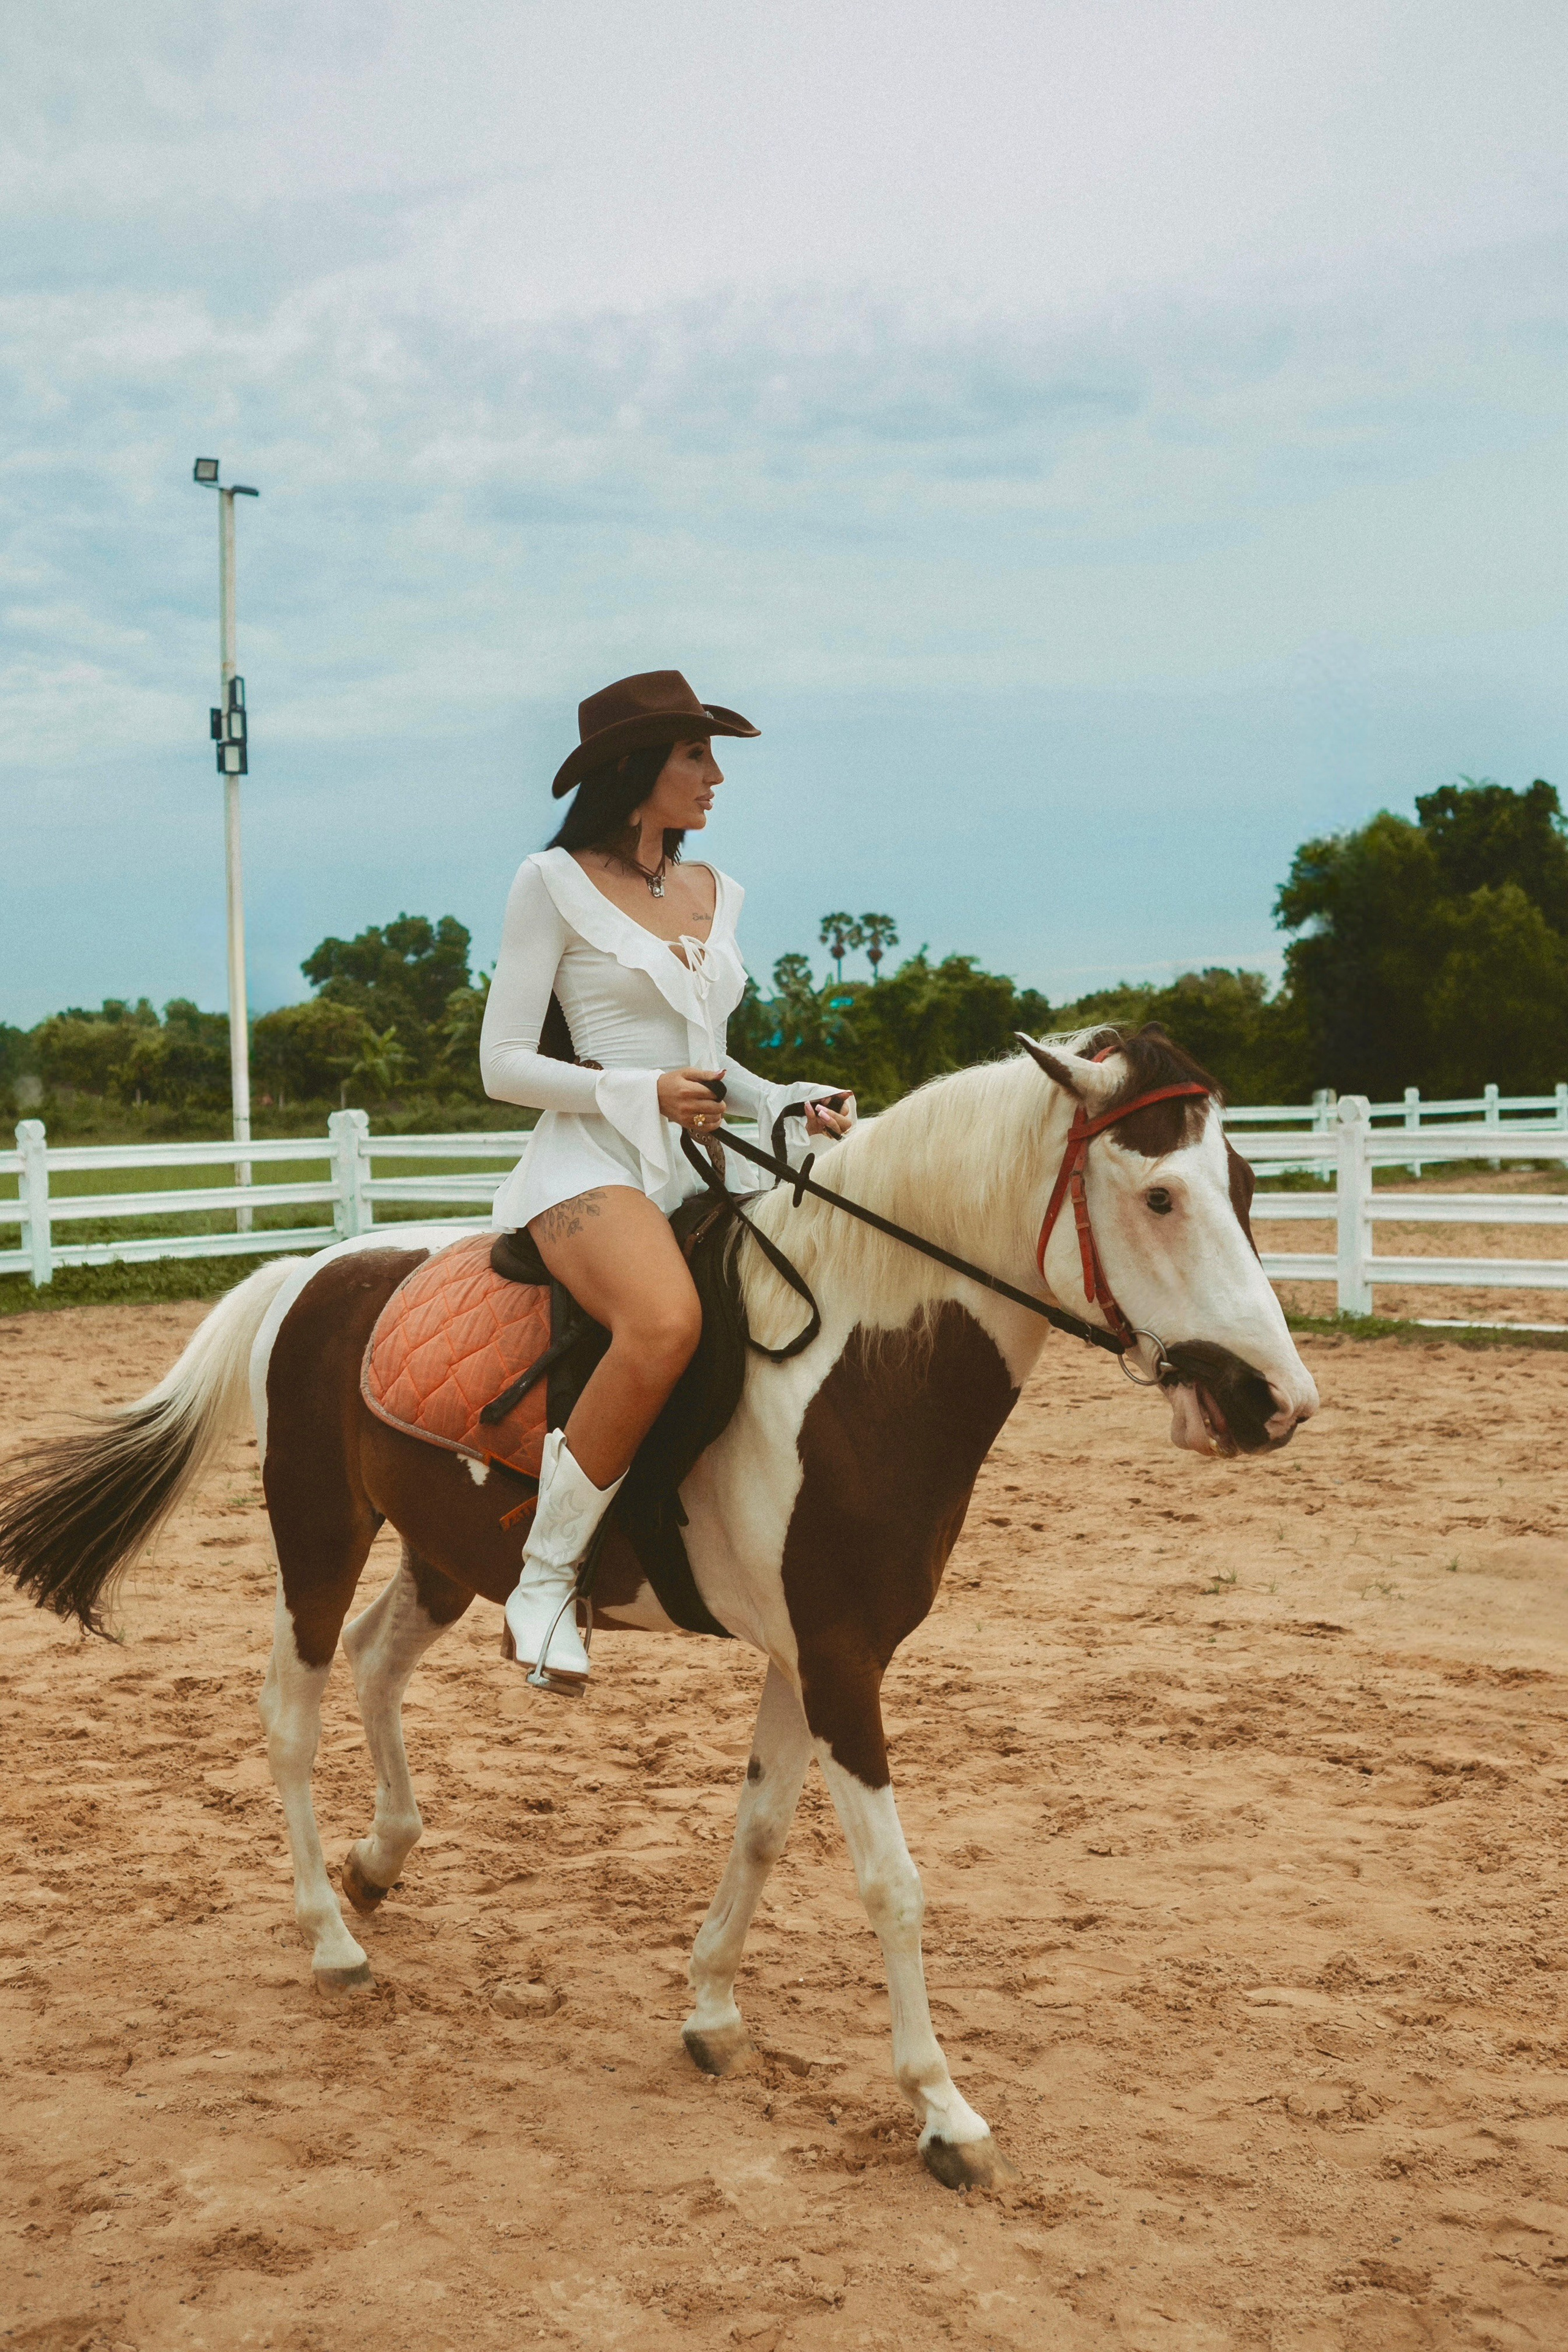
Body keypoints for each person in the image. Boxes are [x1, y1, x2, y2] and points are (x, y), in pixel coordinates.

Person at [479, 670, 854, 1691]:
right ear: (635, 768)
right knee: (663, 1325)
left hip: (706, 1155)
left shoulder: (716, 891)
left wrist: (784, 1097)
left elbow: (710, 1060)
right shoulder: (548, 882)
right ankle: (546, 1580)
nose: (716, 776)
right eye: (696, 755)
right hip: (589, 1161)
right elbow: (502, 1064)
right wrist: (642, 1091)